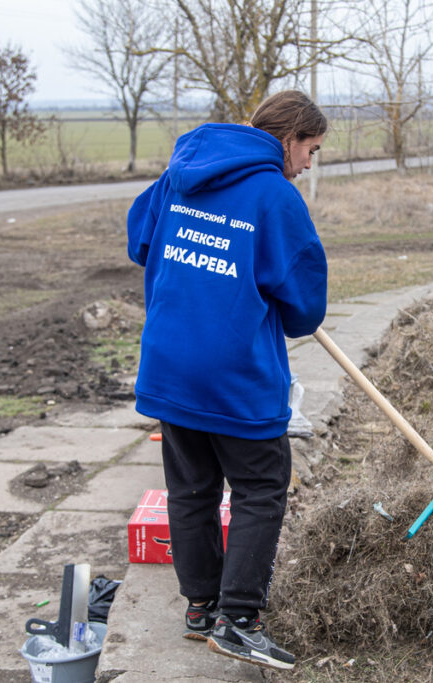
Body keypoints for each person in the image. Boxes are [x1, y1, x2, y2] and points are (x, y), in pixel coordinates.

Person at [125, 90, 328, 671]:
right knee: (261, 489)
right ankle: (239, 620)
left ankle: (201, 607)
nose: (309, 163)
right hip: (234, 375)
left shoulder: (179, 175)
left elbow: (142, 241)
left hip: (170, 365)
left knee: (191, 490)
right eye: (310, 150)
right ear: (288, 138)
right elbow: (304, 310)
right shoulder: (274, 196)